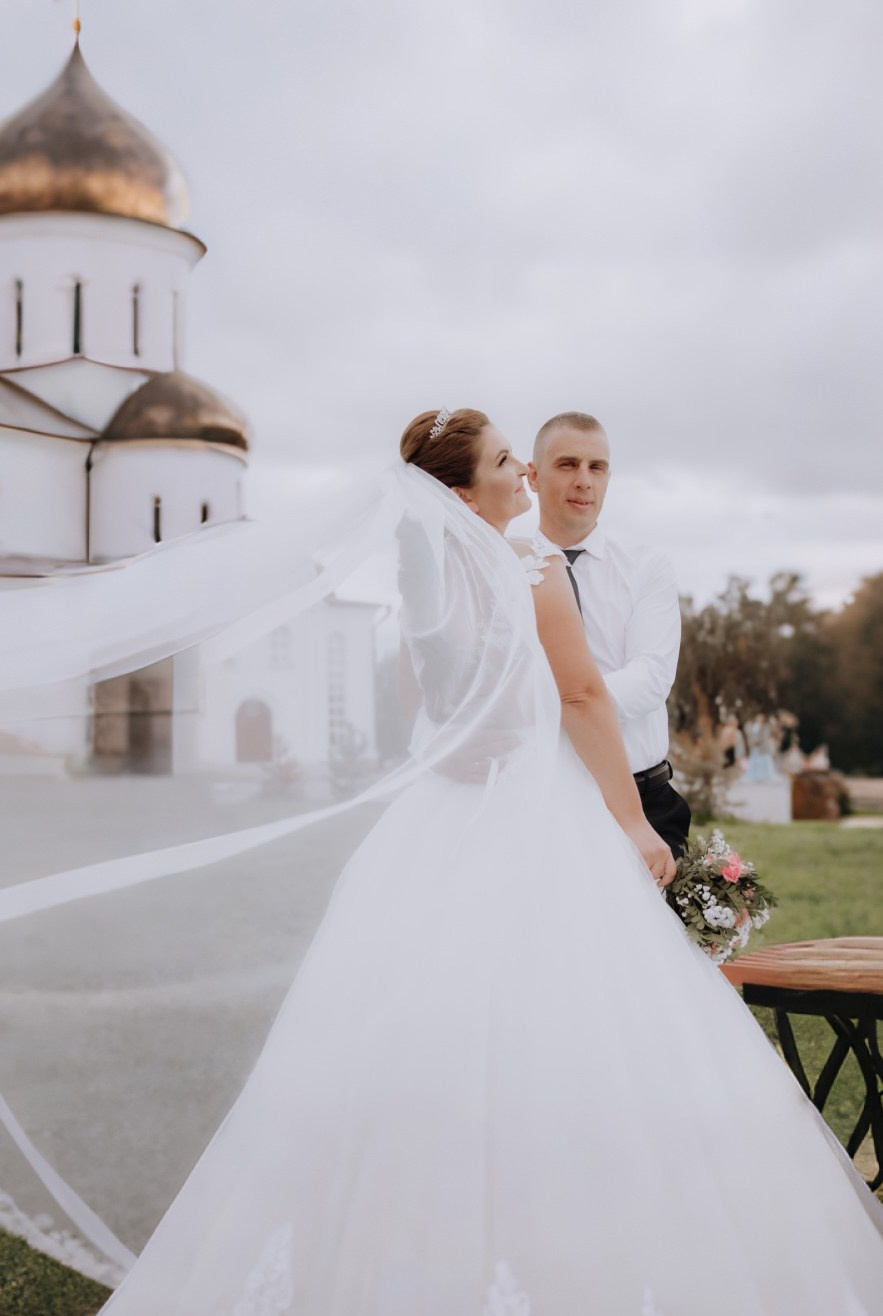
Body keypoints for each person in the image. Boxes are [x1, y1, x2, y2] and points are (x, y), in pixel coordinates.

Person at [78, 408, 882, 1314]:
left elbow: (427, 699)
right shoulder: (530, 568)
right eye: (510, 462)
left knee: (417, 1020)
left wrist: (466, 742)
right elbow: (580, 696)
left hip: (443, 820)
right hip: (541, 815)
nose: (528, 477)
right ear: (465, 493)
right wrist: (632, 821)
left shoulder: (423, 581)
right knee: (586, 1021)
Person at [527, 412, 691, 856]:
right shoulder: (504, 569)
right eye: (568, 464)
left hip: (647, 803)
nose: (584, 480)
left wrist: (558, 706)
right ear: (534, 476)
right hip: (544, 806)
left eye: (596, 467)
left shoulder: (646, 568)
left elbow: (652, 676)